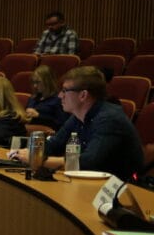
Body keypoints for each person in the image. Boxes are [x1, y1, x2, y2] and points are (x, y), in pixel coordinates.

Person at [16, 66, 144, 180]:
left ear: (83, 95)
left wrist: (37, 160)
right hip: (93, 183)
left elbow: (88, 162)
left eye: (65, 90)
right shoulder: (77, 116)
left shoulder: (109, 119)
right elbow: (53, 144)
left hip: (122, 188)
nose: (60, 95)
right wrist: (24, 153)